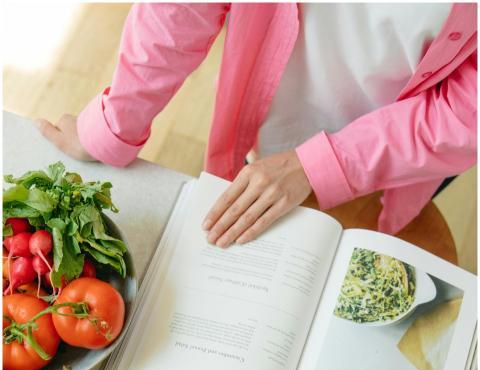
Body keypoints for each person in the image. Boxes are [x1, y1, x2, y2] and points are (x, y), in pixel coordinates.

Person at [36, 3, 477, 248]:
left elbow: (467, 110)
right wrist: (114, 125)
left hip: (404, 151)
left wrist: (318, 166)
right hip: (274, 111)